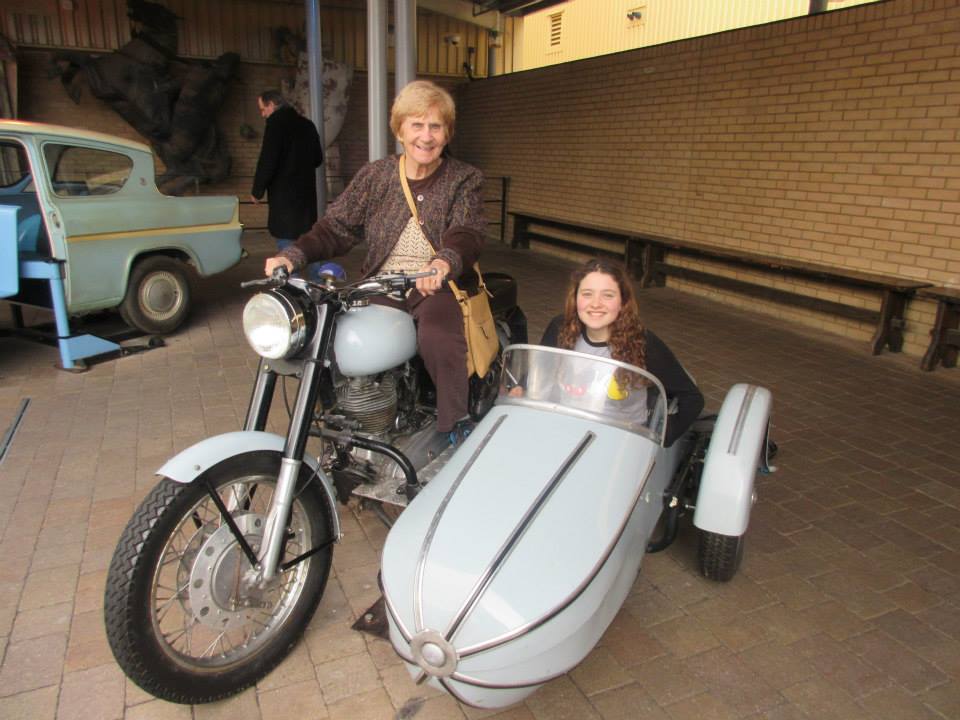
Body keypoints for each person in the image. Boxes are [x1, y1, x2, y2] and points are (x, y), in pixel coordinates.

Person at [264, 80, 486, 435]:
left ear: (447, 133)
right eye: (417, 124)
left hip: (435, 285)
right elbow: (337, 226)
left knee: (438, 337)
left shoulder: (464, 178)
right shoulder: (377, 175)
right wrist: (293, 255)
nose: (425, 136)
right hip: (380, 284)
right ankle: (349, 415)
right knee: (326, 333)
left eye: (435, 126)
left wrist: (443, 262)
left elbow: (467, 231)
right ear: (400, 129)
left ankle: (454, 424)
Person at [540, 258, 704, 446]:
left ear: (622, 301)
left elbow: (692, 399)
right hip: (564, 430)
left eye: (607, 295)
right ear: (575, 297)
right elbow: (540, 376)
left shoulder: (642, 342)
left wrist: (661, 436)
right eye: (587, 294)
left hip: (620, 442)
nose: (595, 304)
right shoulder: (560, 328)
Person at [250, 90, 323, 259]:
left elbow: (268, 160)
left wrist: (257, 191)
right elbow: (318, 159)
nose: (263, 115)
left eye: (263, 109)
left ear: (272, 105)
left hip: (284, 198)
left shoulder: (275, 124)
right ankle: (317, 280)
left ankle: (291, 282)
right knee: (308, 239)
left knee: (286, 241)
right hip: (305, 197)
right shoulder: (308, 125)